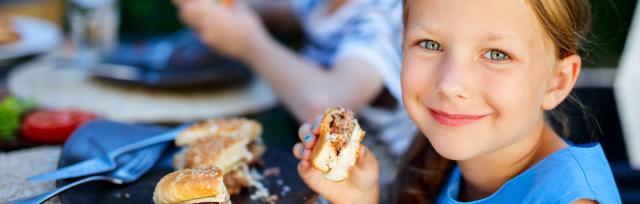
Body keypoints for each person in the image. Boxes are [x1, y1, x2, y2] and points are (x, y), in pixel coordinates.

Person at [293, 0, 622, 203]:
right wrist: (359, 200)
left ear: (558, 81)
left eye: (496, 54)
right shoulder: (447, 158)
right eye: (430, 44)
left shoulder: (568, 199)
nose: (450, 85)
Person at [173, 0, 416, 157]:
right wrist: (223, 9)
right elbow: (274, 9)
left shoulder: (383, 17)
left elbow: (330, 107)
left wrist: (248, 42)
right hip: (318, 162)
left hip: (382, 182)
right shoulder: (325, 3)